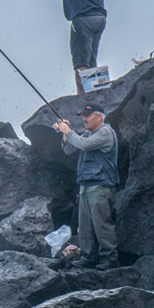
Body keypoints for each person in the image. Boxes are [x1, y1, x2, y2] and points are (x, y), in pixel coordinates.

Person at [54, 103, 118, 269]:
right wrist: (65, 134)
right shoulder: (88, 133)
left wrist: (70, 131)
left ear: (98, 116)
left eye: (87, 116)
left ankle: (110, 258)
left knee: (102, 224)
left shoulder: (105, 132)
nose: (84, 119)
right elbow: (69, 150)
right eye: (83, 116)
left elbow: (84, 145)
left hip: (100, 187)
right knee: (85, 226)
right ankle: (88, 257)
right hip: (85, 187)